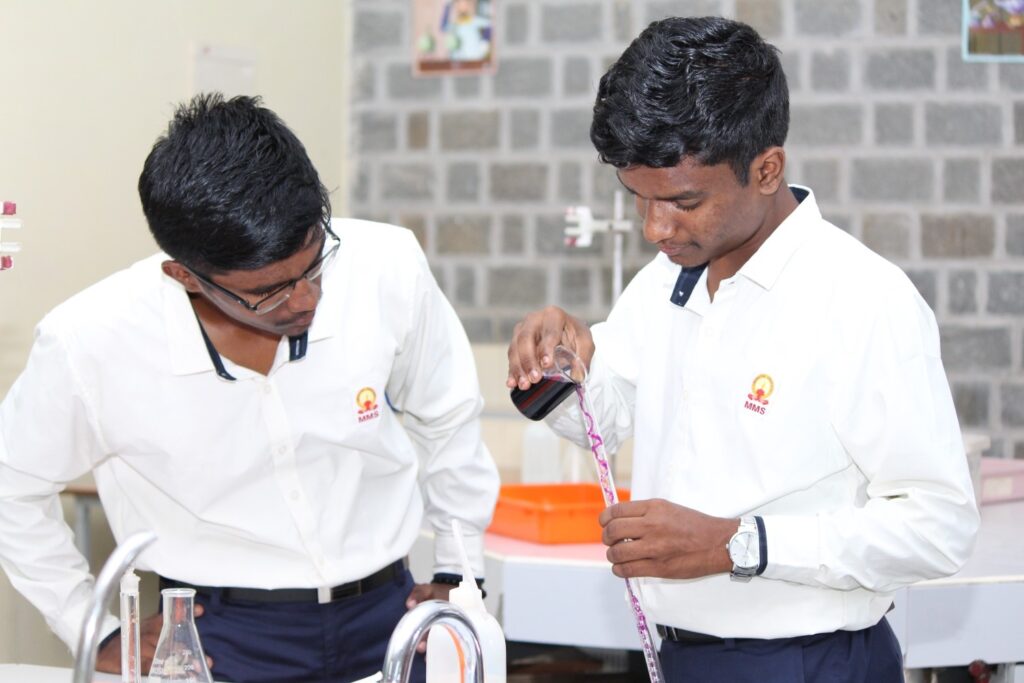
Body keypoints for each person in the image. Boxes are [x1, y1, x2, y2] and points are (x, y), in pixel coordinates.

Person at [506, 16, 979, 683]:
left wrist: (739, 544)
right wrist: (558, 366)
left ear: (766, 169)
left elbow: (938, 524)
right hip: (684, 655)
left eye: (683, 201)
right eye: (638, 199)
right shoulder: (666, 281)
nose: (654, 228)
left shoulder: (862, 299)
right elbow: (604, 417)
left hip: (807, 661)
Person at [0, 93, 499, 683]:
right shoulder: (91, 342)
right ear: (185, 276)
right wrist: (93, 628)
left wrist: (459, 570)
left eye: (315, 263)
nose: (306, 298)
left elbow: (447, 416)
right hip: (219, 638)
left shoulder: (386, 265)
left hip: (390, 615)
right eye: (268, 292)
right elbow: (12, 487)